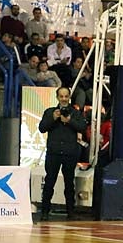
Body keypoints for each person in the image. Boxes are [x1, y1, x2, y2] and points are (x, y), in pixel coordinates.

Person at [38, 87, 88, 221]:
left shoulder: (76, 113)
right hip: (54, 153)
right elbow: (42, 128)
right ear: (57, 97)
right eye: (61, 96)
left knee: (69, 184)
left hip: (70, 153)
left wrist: (70, 121)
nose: (64, 99)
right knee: (49, 182)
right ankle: (44, 212)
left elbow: (83, 127)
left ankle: (71, 212)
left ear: (69, 97)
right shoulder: (50, 112)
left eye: (66, 96)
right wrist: (53, 118)